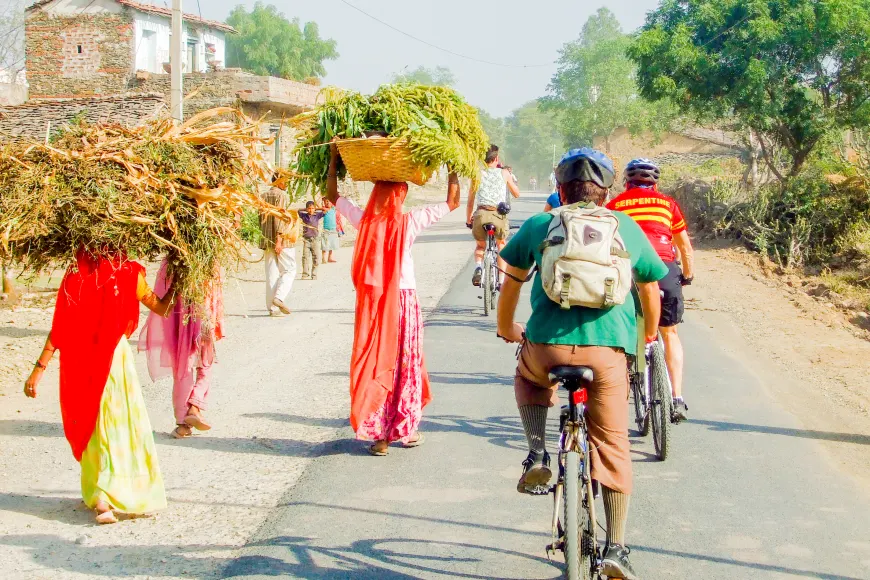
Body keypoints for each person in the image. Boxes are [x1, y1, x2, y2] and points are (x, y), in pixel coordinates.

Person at [498, 148, 668, 580]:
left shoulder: (541, 224)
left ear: (560, 188)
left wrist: (507, 328)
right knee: (612, 445)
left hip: (548, 346)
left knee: (529, 379)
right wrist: (645, 334)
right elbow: (650, 289)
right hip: (607, 355)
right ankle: (616, 549)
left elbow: (511, 281)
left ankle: (537, 451)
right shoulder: (623, 226)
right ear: (607, 191)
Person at [326, 142, 461, 456]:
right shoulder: (409, 222)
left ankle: (380, 435)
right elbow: (452, 202)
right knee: (404, 362)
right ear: (400, 197)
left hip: (376, 305)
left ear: (376, 196)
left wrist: (333, 160)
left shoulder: (365, 221)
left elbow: (332, 196)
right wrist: (453, 163)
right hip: (405, 303)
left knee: (379, 360)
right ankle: (406, 428)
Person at [23, 251, 174, 524]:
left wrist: (39, 368)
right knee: (115, 423)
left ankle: (100, 493)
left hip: (79, 362)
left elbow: (59, 326)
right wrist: (182, 280)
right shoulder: (130, 273)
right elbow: (162, 308)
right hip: (113, 361)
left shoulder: (74, 274)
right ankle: (114, 492)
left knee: (94, 424)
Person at [606, 158, 694, 421]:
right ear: (655, 183)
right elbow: (685, 248)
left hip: (627, 269)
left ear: (627, 182)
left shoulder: (615, 206)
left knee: (624, 328)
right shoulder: (668, 205)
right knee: (670, 333)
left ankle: (619, 394)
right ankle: (677, 397)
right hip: (664, 270)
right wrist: (687, 275)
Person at [140, 261, 224, 439]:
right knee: (206, 363)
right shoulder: (208, 263)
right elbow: (215, 295)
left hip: (178, 322)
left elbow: (162, 297)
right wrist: (217, 322)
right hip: (203, 317)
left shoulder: (170, 264)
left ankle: (182, 423)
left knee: (182, 365)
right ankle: (195, 405)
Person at [466, 144, 520, 287]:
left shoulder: (477, 174)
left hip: (481, 215)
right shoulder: (504, 173)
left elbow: (470, 201)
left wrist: (468, 220)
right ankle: (501, 281)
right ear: (496, 158)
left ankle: (478, 267)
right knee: (501, 244)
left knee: (480, 247)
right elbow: (516, 193)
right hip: (498, 215)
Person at [259, 177, 297, 316]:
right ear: (279, 181)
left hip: (267, 239)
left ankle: (272, 309)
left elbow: (261, 219)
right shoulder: (280, 195)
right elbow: (280, 218)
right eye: (285, 181)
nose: (287, 184)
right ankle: (279, 297)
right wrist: (279, 240)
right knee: (289, 270)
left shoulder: (263, 196)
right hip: (282, 241)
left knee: (271, 273)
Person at [300, 201, 325, 280]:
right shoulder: (304, 215)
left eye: (312, 208)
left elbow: (325, 210)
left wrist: (316, 209)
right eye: (309, 208)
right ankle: (305, 274)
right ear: (306, 209)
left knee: (316, 257)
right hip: (306, 240)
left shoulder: (317, 215)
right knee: (305, 257)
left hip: (315, 239)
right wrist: (305, 209)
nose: (311, 210)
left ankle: (314, 274)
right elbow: (297, 210)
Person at [321, 198, 341, 264]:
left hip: (333, 229)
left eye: (329, 201)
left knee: (331, 244)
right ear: (324, 202)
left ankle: (330, 258)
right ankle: (323, 258)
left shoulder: (333, 209)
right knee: (325, 244)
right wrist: (320, 199)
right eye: (326, 201)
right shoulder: (324, 210)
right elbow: (318, 206)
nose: (328, 202)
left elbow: (336, 202)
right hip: (326, 230)